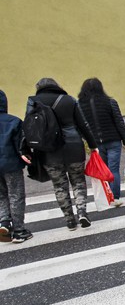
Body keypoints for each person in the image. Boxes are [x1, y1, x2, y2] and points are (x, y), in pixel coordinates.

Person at [27, 78, 97, 230]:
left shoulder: (33, 102)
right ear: (56, 85)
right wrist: (93, 145)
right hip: (74, 147)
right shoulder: (69, 100)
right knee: (78, 181)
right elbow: (82, 124)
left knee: (59, 186)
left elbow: (31, 128)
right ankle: (82, 212)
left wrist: (28, 150)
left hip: (50, 151)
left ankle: (70, 220)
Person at [78, 78, 125, 206]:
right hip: (113, 140)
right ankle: (116, 197)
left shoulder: (80, 105)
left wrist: (88, 141)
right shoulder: (110, 102)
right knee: (113, 169)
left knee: (103, 170)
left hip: (95, 143)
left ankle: (107, 196)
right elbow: (119, 122)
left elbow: (81, 126)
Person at [0, 90, 33, 243]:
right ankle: (19, 230)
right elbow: (21, 146)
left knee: (1, 195)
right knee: (16, 196)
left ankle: (4, 222)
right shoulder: (14, 121)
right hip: (11, 165)